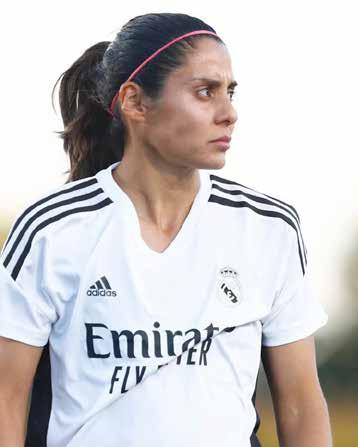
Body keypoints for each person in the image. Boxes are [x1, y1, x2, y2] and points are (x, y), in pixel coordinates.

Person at [0, 12, 332, 447]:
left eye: (229, 92)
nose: (229, 113)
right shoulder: (52, 231)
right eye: (205, 92)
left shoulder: (268, 229)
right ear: (135, 102)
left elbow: (301, 403)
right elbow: (6, 398)